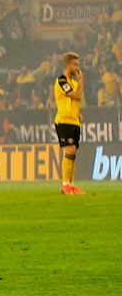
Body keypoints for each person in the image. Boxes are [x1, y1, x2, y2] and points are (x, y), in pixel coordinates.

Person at [56, 52, 86, 196]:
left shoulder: (73, 83)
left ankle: (72, 185)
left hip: (74, 121)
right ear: (68, 65)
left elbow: (75, 101)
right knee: (69, 151)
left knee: (73, 152)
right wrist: (82, 81)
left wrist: (78, 113)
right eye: (75, 65)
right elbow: (77, 95)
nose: (77, 68)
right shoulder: (62, 81)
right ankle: (65, 185)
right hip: (64, 121)